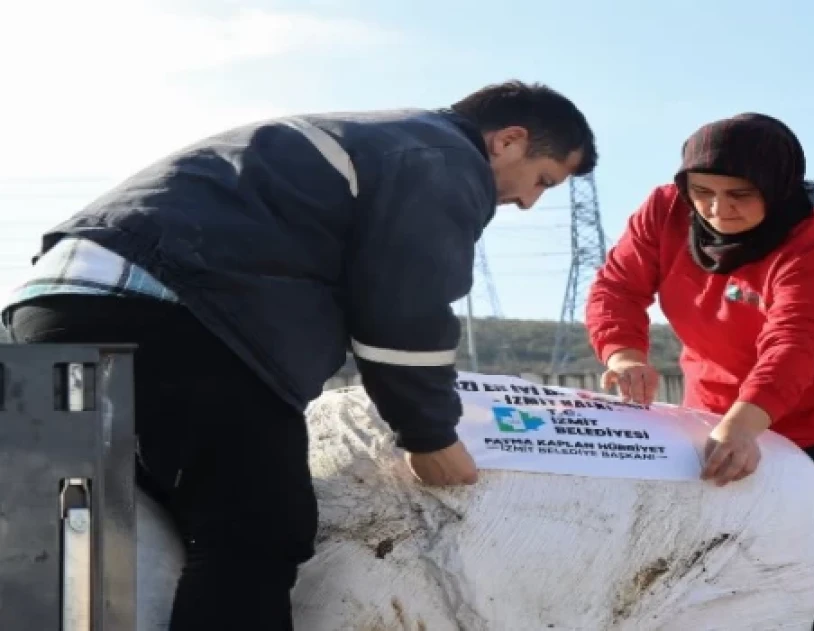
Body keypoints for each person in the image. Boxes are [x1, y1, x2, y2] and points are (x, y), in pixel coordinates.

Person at [2, 80, 598, 631]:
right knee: (257, 530)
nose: (528, 203)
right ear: (509, 140)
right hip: (176, 316)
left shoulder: (369, 135)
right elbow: (402, 308)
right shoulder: (441, 157)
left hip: (54, 305)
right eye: (543, 179)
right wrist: (430, 439)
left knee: (71, 544)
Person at [584, 113, 814, 630]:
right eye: (701, 192)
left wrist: (746, 425)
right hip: (715, 412)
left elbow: (797, 340)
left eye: (740, 195)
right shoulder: (664, 211)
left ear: (778, 187)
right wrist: (623, 353)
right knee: (715, 566)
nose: (716, 209)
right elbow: (617, 287)